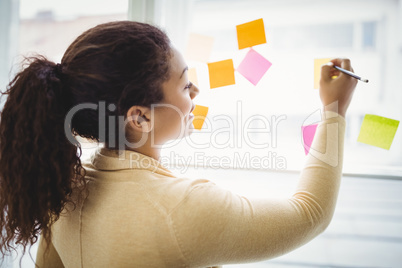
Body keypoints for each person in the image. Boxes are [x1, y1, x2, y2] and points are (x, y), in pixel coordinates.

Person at [0, 21, 357, 267]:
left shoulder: (62, 189)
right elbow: (310, 214)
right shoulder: (182, 209)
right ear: (139, 118)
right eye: (186, 85)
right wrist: (335, 110)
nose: (196, 93)